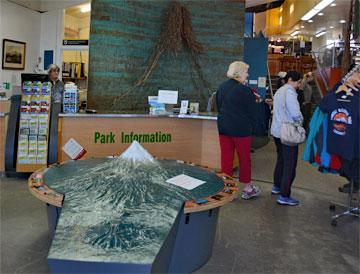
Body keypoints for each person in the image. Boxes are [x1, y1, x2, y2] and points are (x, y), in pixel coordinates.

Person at [216, 61, 260, 200]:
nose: (247, 75)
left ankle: (226, 188)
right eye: (246, 72)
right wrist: (256, 102)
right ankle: (247, 188)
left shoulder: (221, 87)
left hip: (223, 127)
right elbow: (252, 112)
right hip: (241, 130)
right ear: (239, 73)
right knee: (244, 159)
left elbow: (219, 105)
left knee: (226, 158)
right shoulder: (244, 90)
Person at [270, 71, 303, 206]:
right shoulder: (289, 92)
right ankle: (284, 195)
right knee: (290, 164)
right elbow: (295, 113)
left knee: (281, 161)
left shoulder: (279, 91)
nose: (298, 85)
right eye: (298, 82)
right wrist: (301, 121)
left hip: (277, 132)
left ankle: (277, 186)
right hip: (288, 133)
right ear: (291, 80)